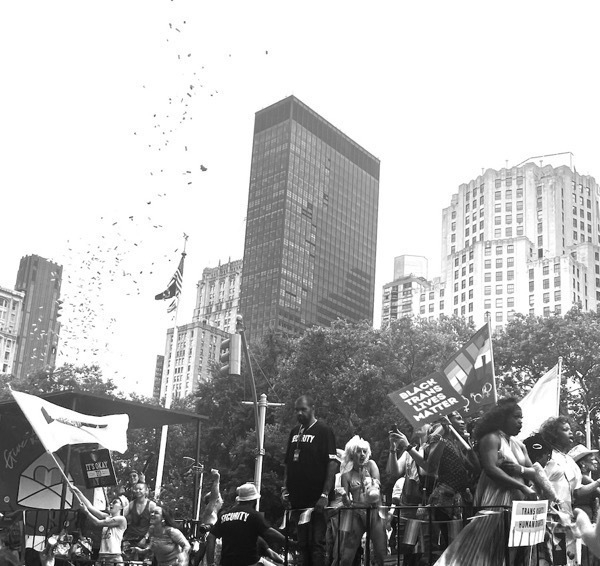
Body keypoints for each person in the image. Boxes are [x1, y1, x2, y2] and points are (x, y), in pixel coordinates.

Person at [433, 398, 538, 566]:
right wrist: (521, 486)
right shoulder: (491, 438)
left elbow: (534, 472)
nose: (520, 421)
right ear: (502, 417)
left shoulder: (520, 445)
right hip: (497, 501)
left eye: (522, 418)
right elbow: (490, 469)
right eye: (516, 417)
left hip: (519, 503)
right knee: (490, 549)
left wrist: (521, 471)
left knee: (516, 551)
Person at [282, 395, 338, 566]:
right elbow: (288, 464)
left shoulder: (324, 431)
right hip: (298, 500)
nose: (299, 413)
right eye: (297, 410)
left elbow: (332, 462)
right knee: (302, 544)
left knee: (316, 543)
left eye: (303, 409)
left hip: (316, 501)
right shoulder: (294, 432)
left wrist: (325, 493)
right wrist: (285, 489)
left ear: (313, 408)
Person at [540, 417, 600, 564]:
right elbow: (537, 484)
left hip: (565, 520)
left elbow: (578, 492)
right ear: (554, 435)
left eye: (570, 429)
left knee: (567, 559)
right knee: (550, 558)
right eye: (565, 430)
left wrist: (597, 483)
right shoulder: (548, 457)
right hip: (547, 519)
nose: (570, 432)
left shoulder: (571, 462)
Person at [335, 435, 386, 566]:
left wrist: (369, 482)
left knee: (381, 555)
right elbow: (346, 503)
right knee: (346, 557)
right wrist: (345, 497)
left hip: (374, 513)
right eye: (358, 451)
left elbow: (377, 492)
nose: (362, 454)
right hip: (356, 513)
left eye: (364, 451)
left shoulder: (372, 465)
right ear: (352, 454)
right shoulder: (346, 475)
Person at [206, 483, 285, 566]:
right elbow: (269, 532)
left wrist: (211, 563)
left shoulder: (225, 516)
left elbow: (211, 537)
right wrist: (288, 542)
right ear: (254, 500)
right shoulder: (254, 515)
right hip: (249, 562)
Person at [71, 486, 127, 566]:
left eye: (115, 502)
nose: (111, 504)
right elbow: (90, 507)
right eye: (111, 502)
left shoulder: (121, 519)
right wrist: (78, 492)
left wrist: (86, 512)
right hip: (102, 556)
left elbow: (97, 523)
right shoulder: (107, 517)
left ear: (121, 507)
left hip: (113, 557)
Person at [570, 444, 600, 566]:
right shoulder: (584, 479)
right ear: (582, 464)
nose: (595, 460)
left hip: (586, 524)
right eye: (591, 458)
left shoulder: (586, 478)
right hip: (582, 526)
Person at [191, 468, 223, 566]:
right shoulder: (209, 511)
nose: (223, 501)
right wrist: (217, 480)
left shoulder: (214, 515)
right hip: (208, 548)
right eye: (220, 498)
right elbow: (214, 496)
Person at [123, 481, 157, 558]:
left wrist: (146, 537)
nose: (138, 491)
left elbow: (154, 523)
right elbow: (122, 515)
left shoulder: (151, 505)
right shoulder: (132, 504)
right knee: (126, 559)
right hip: (131, 536)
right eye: (136, 489)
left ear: (146, 491)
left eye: (140, 489)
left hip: (144, 536)